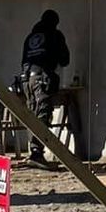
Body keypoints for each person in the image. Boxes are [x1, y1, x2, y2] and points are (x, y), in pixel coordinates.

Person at [20, 9, 69, 166]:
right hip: (41, 78)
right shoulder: (55, 35)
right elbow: (65, 59)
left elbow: (24, 60)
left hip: (26, 79)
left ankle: (33, 150)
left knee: (32, 114)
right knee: (43, 114)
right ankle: (36, 153)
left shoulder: (30, 37)